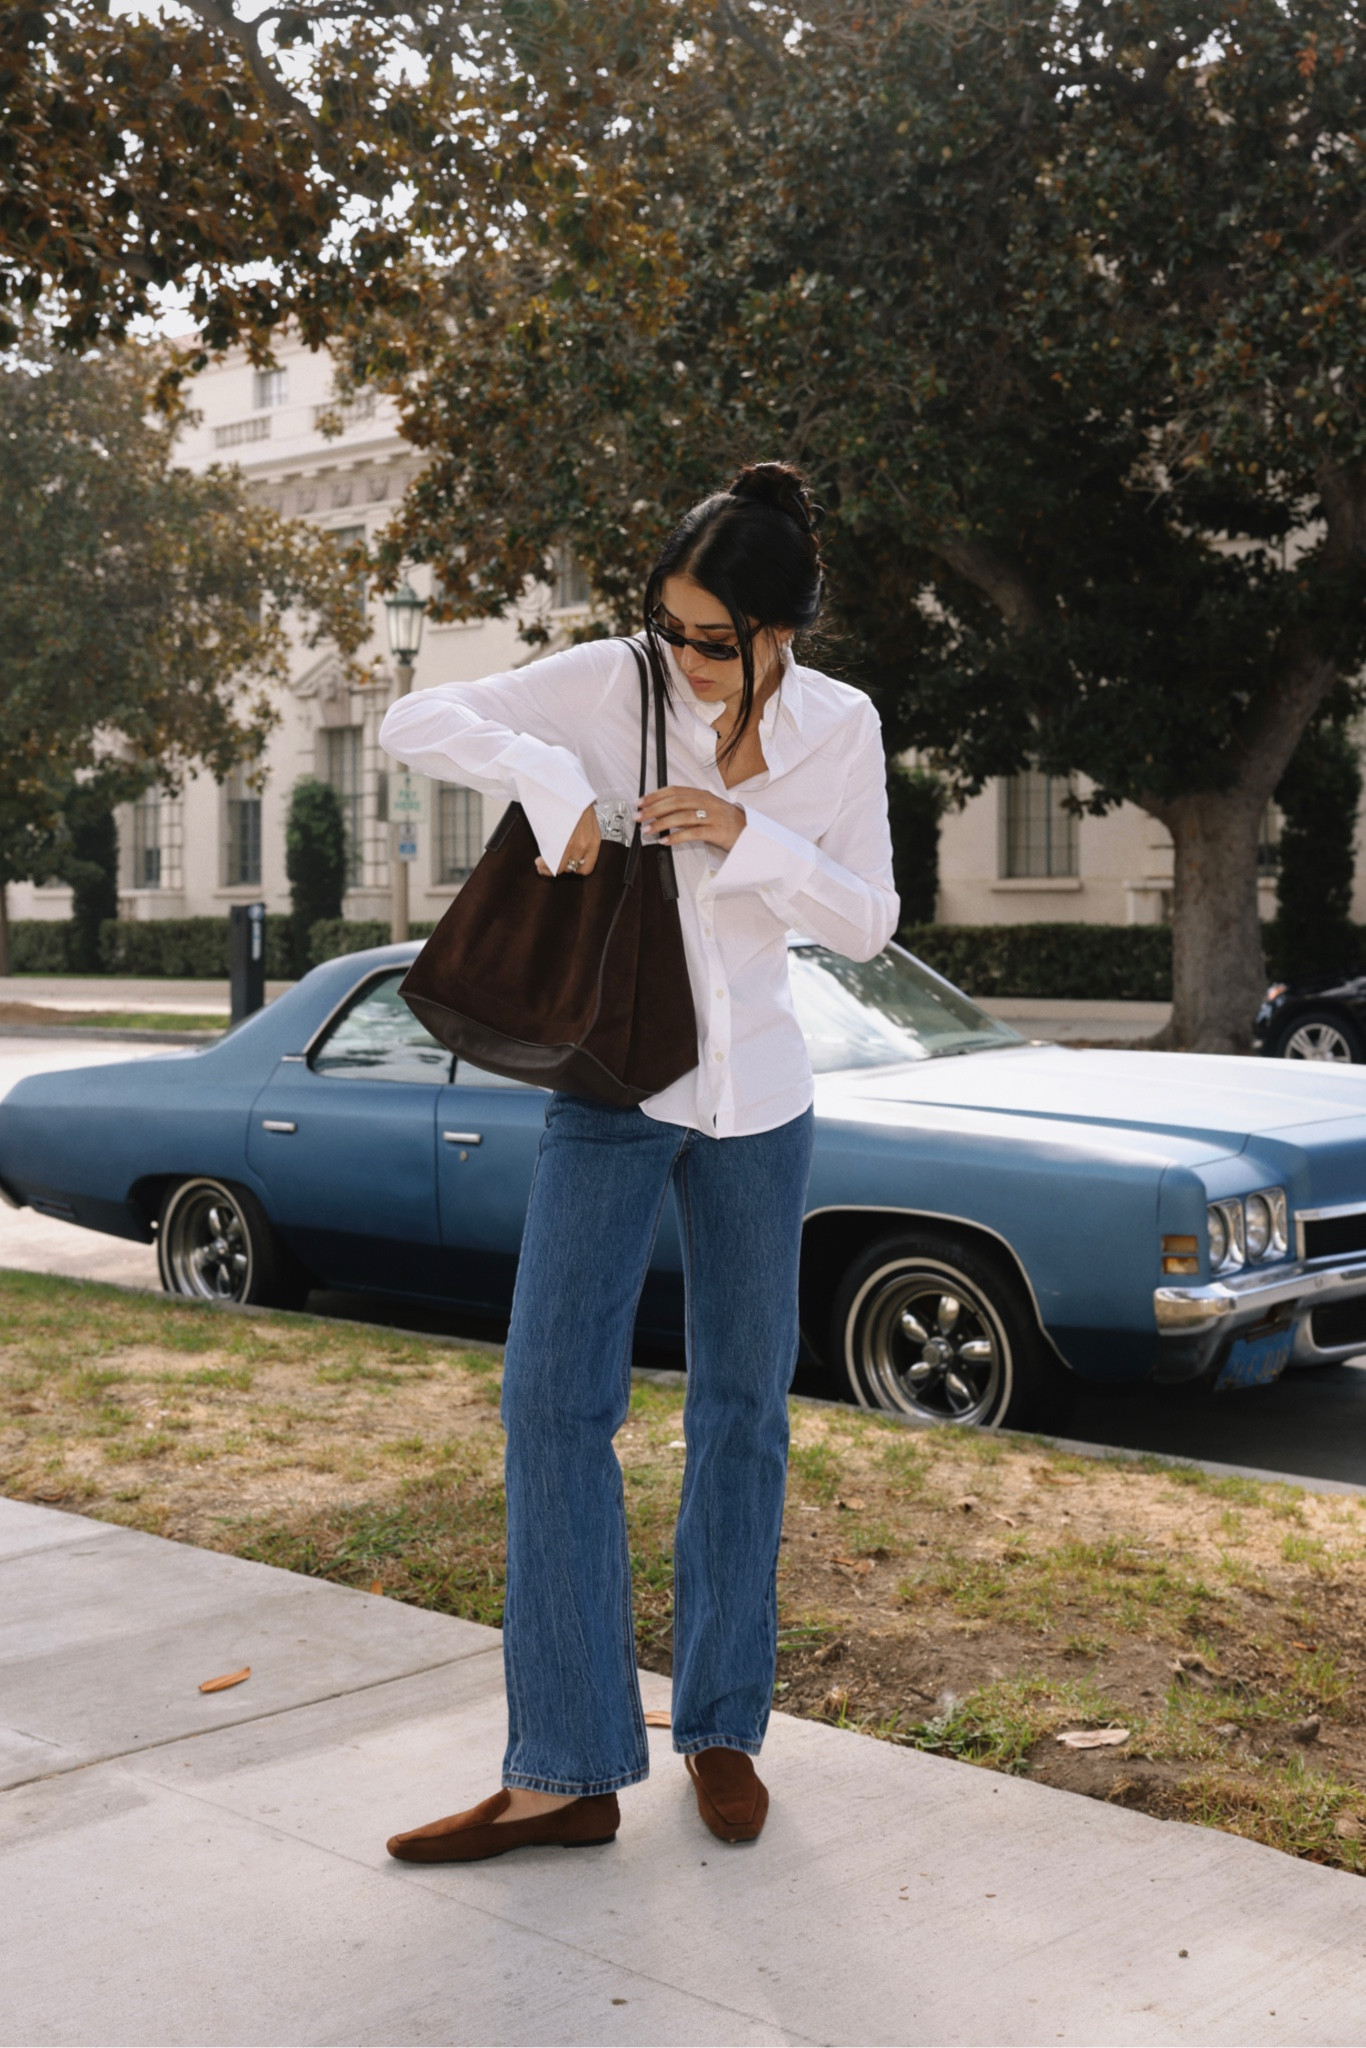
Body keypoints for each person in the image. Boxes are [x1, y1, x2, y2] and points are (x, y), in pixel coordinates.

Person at [379, 461, 898, 1863]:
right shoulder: (615, 682)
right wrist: (552, 779)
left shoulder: (839, 726)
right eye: (671, 627)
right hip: (615, 1087)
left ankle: (722, 1730)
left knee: (742, 1411)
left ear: (784, 633)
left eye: (717, 639)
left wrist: (746, 831)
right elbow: (417, 711)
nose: (688, 658)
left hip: (763, 1105)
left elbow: (864, 918)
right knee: (551, 1405)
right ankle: (565, 1768)